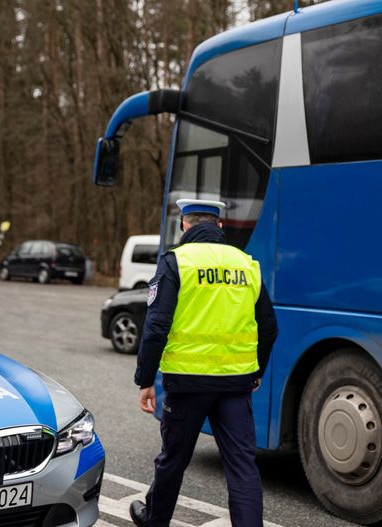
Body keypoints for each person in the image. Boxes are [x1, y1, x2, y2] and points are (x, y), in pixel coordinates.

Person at [130, 198, 278, 527]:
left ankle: (155, 521)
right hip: (235, 385)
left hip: (187, 384)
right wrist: (257, 372)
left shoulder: (176, 262)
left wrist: (145, 380)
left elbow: (156, 327)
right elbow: (269, 326)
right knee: (242, 466)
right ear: (220, 226)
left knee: (173, 460)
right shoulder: (246, 264)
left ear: (184, 225)